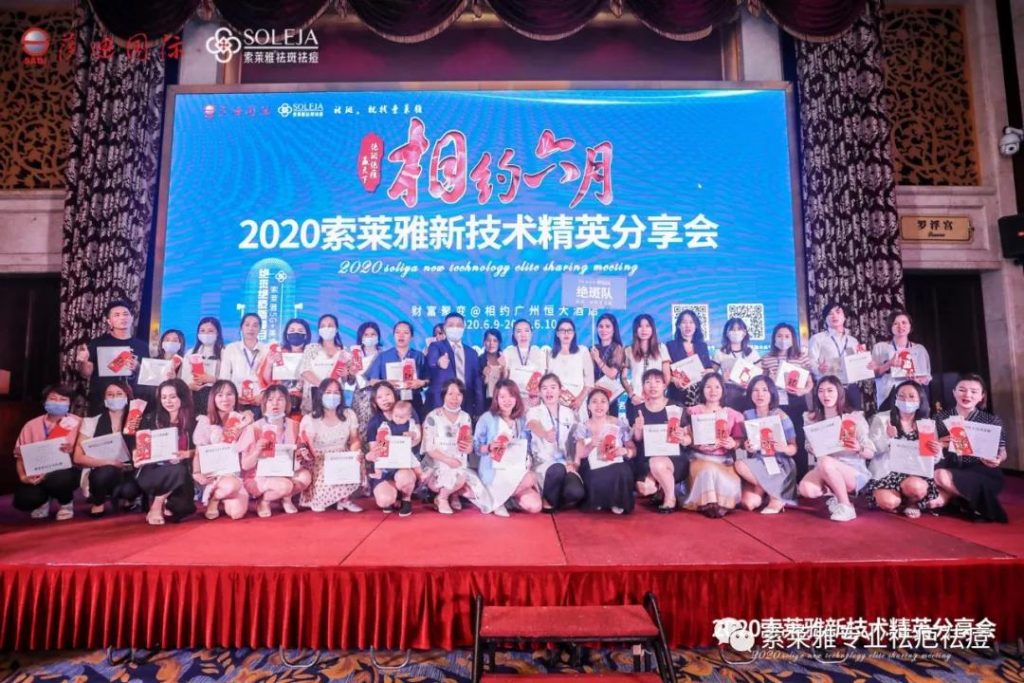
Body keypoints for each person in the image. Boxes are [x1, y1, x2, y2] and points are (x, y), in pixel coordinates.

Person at [797, 376, 875, 522]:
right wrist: (813, 448)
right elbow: (808, 445)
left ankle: (846, 506)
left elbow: (870, 452)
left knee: (825, 461)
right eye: (821, 391)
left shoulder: (853, 417)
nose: (825, 395)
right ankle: (834, 496)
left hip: (852, 471)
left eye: (830, 390)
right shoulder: (811, 418)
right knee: (806, 489)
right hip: (824, 467)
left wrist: (858, 448)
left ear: (839, 392)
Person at [933, 374, 1008, 523]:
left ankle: (963, 502)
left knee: (940, 476)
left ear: (981, 396)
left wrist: (999, 459)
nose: (967, 395)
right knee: (933, 501)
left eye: (974, 391)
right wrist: (938, 444)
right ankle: (967, 503)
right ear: (954, 392)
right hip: (950, 467)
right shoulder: (940, 418)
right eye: (962, 390)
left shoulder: (991, 420)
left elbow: (1002, 451)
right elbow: (930, 447)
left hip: (981, 470)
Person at [864, 380, 941, 518]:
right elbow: (871, 450)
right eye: (901, 396)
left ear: (920, 400)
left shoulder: (926, 424)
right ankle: (898, 502)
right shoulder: (882, 419)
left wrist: (936, 452)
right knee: (889, 502)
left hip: (914, 473)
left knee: (916, 487)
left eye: (911, 396)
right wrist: (887, 438)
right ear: (895, 398)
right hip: (887, 473)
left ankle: (912, 503)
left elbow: (932, 459)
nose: (906, 400)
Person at [242, 385, 313, 517]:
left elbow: (300, 453)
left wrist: (301, 454)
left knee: (305, 476)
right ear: (264, 404)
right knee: (285, 485)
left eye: (280, 399)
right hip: (260, 475)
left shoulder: (295, 426)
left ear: (287, 403)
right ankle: (264, 501)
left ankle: (286, 498)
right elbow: (245, 465)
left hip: (285, 472)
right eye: (270, 400)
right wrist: (257, 450)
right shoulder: (254, 428)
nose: (275, 403)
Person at [13, 384, 81, 520]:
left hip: (66, 472)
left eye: (63, 399)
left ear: (70, 403)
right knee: (23, 500)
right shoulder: (31, 425)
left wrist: (72, 451)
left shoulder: (78, 422)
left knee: (60, 479)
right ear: (44, 402)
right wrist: (22, 476)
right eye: (53, 399)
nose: (58, 402)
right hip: (37, 473)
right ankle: (43, 501)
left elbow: (84, 454)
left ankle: (66, 503)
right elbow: (20, 456)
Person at [74, 381, 142, 517]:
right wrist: (108, 462)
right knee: (104, 473)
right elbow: (77, 457)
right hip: (101, 469)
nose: (114, 398)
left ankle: (129, 498)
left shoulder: (137, 420)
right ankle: (98, 502)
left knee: (129, 489)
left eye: (119, 394)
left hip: (130, 469)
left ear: (127, 397)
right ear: (104, 399)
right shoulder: (91, 422)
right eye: (110, 395)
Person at [474, 380, 541, 517]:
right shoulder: (487, 418)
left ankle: (499, 500)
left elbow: (527, 446)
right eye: (502, 397)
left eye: (511, 396)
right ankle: (498, 499)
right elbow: (476, 448)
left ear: (516, 398)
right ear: (496, 399)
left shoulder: (521, 420)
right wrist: (489, 447)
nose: (507, 400)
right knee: (529, 479)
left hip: (516, 470)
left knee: (535, 505)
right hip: (494, 471)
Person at [134, 379, 197, 525]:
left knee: (182, 509)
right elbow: (139, 446)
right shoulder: (150, 418)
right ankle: (157, 504)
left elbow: (201, 450)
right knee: (178, 470)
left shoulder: (193, 420)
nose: (168, 401)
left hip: (181, 474)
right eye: (164, 397)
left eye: (172, 397)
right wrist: (137, 455)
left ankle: (166, 500)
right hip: (153, 471)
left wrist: (186, 454)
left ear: (182, 397)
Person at [422, 379, 488, 514]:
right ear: (443, 395)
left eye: (459, 394)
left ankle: (453, 494)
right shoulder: (433, 416)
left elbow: (468, 445)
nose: (454, 398)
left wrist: (468, 448)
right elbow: (429, 448)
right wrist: (448, 460)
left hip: (458, 463)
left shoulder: (465, 417)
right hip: (438, 465)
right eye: (450, 394)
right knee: (458, 478)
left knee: (473, 492)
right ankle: (442, 498)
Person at [683, 373, 744, 518]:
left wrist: (733, 443)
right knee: (708, 470)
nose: (713, 391)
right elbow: (687, 437)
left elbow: (739, 441)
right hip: (698, 458)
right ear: (702, 389)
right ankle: (708, 503)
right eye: (708, 387)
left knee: (729, 479)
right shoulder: (693, 411)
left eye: (717, 387)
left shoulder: (733, 415)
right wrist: (696, 444)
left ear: (723, 390)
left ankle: (720, 504)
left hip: (724, 461)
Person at [299, 378, 364, 513]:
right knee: (320, 502)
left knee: (357, 460)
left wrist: (354, 454)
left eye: (336, 393)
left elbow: (355, 439)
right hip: (319, 459)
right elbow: (307, 446)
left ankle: (344, 500)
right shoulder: (310, 419)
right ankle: (331, 498)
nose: (332, 396)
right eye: (328, 392)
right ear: (320, 395)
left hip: (342, 455)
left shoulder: (349, 414)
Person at [759, 322, 814, 479]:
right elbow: (761, 382)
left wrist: (802, 391)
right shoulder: (767, 358)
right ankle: (778, 478)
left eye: (787, 336)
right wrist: (769, 380)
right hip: (775, 403)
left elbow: (810, 382)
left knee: (797, 438)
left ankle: (800, 477)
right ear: (774, 338)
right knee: (776, 439)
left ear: (793, 338)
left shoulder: (801, 357)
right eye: (779, 336)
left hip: (796, 402)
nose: (783, 339)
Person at [75, 299, 150, 413]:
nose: (122, 318)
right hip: (101, 401)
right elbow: (86, 374)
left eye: (126, 314)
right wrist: (82, 362)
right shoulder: (97, 343)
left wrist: (138, 367)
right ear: (109, 321)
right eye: (117, 315)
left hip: (132, 402)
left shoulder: (143, 346)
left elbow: (147, 378)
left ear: (132, 318)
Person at [735, 377, 798, 514]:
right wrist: (747, 446)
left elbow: (794, 448)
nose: (760, 394)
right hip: (759, 462)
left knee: (756, 502)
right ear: (750, 393)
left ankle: (776, 496)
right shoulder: (747, 415)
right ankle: (776, 491)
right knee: (748, 503)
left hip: (779, 463)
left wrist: (784, 448)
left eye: (765, 390)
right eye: (755, 390)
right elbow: (745, 443)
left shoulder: (781, 416)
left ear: (772, 393)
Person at [192, 380, 252, 520]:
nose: (225, 399)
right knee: (231, 485)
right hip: (213, 475)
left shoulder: (243, 419)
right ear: (213, 398)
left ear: (236, 397)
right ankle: (214, 498)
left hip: (235, 473)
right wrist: (196, 472)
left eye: (229, 394)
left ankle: (220, 496)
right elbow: (198, 451)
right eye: (220, 395)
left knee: (237, 513)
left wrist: (244, 424)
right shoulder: (205, 421)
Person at [631, 369, 690, 513]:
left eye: (657, 382)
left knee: (657, 463)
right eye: (648, 382)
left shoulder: (676, 407)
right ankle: (662, 487)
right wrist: (638, 428)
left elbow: (689, 439)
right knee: (644, 488)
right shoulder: (638, 409)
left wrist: (683, 438)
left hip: (674, 458)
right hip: (647, 458)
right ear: (643, 386)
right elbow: (637, 439)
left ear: (664, 385)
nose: (653, 385)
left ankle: (670, 498)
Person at [525, 374, 584, 511]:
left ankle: (554, 498)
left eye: (553, 387)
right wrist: (545, 434)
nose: (549, 392)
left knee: (576, 492)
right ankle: (547, 499)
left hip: (565, 463)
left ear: (560, 390)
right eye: (544, 388)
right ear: (540, 392)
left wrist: (575, 463)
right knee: (557, 470)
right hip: (544, 464)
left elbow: (576, 439)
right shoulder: (534, 411)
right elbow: (533, 424)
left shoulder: (569, 413)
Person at [574, 387, 636, 514]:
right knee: (593, 474)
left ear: (608, 405)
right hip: (592, 463)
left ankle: (618, 502)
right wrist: (591, 445)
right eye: (594, 401)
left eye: (603, 401)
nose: (599, 405)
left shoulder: (619, 423)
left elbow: (633, 449)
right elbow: (579, 454)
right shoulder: (582, 427)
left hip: (616, 461)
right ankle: (599, 501)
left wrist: (625, 451)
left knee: (622, 470)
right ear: (588, 406)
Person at [365, 382, 420, 516]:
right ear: (375, 402)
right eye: (379, 397)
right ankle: (394, 493)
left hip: (404, 466)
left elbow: (418, 438)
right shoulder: (374, 422)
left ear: (394, 395)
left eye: (388, 394)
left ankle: (406, 498)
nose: (385, 399)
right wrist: (371, 455)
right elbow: (374, 450)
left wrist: (411, 438)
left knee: (405, 479)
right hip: (385, 468)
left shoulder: (408, 411)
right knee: (385, 500)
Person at [807, 303, 868, 410]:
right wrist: (818, 369)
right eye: (830, 314)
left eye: (838, 312)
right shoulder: (817, 339)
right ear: (825, 319)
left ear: (844, 317)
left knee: (855, 417)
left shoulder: (853, 341)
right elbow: (810, 361)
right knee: (831, 418)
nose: (834, 316)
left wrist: (866, 364)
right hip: (829, 388)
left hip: (850, 387)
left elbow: (858, 364)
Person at [366, 320, 429, 418]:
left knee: (414, 425)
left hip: (414, 401)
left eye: (406, 333)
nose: (401, 335)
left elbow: (428, 379)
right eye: (398, 332)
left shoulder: (419, 356)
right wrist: (386, 382)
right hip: (390, 402)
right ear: (393, 335)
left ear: (412, 337)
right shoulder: (383, 356)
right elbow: (372, 381)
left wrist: (420, 383)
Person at [871, 310, 933, 411]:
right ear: (890, 327)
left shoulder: (919, 349)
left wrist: (917, 380)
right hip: (887, 396)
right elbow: (873, 374)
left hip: (913, 397)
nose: (900, 326)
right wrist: (889, 364)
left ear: (910, 326)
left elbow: (926, 378)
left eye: (904, 322)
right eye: (895, 323)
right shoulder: (880, 348)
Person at [426, 312, 484, 416]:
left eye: (459, 325)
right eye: (451, 325)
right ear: (445, 328)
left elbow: (477, 382)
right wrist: (438, 363)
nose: (455, 328)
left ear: (464, 328)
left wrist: (479, 409)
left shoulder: (472, 353)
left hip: (466, 405)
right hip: (441, 405)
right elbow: (431, 363)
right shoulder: (436, 346)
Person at [298, 314, 350, 415]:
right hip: (314, 396)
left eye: (330, 325)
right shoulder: (311, 348)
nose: (326, 328)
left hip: (336, 398)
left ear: (337, 329)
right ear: (319, 330)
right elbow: (304, 371)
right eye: (323, 326)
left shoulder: (345, 351)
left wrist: (346, 374)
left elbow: (347, 380)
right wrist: (324, 388)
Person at [622, 314, 670, 424]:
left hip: (657, 401)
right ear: (635, 330)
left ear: (652, 329)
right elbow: (623, 377)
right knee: (636, 431)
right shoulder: (629, 350)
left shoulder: (661, 348)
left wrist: (656, 394)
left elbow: (666, 376)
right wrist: (632, 395)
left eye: (647, 326)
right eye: (640, 326)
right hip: (636, 400)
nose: (644, 329)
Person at [219, 313, 268, 417]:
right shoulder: (231, 348)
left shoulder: (266, 350)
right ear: (241, 327)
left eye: (255, 325)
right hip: (235, 401)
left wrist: (263, 394)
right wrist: (232, 396)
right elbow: (224, 377)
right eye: (247, 324)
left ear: (260, 329)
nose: (251, 328)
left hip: (259, 400)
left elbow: (271, 379)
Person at [262, 318, 312, 416]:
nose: (296, 333)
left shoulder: (312, 355)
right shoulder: (277, 352)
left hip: (306, 405)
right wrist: (269, 364)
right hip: (280, 403)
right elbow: (266, 380)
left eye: (300, 331)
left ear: (306, 335)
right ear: (286, 334)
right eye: (292, 330)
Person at [545, 318, 594, 417]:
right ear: (557, 334)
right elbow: (547, 381)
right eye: (562, 330)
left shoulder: (582, 351)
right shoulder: (550, 354)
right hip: (556, 401)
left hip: (577, 401)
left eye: (569, 330)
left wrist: (579, 399)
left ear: (574, 333)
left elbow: (589, 381)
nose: (566, 333)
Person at [665, 309, 713, 407]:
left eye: (691, 322)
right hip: (677, 395)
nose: (688, 325)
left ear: (696, 326)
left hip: (700, 396)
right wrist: (674, 380)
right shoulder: (670, 346)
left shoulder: (702, 346)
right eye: (684, 322)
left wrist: (708, 372)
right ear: (678, 326)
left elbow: (709, 368)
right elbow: (665, 372)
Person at [712, 318, 760, 412]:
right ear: (726, 333)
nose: (736, 332)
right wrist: (722, 380)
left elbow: (760, 376)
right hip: (728, 394)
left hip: (749, 393)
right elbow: (712, 376)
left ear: (744, 332)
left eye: (739, 329)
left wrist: (751, 383)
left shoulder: (752, 353)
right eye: (732, 329)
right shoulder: (720, 353)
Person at [181, 316, 225, 419]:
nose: (206, 334)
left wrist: (214, 380)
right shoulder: (190, 353)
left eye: (210, 331)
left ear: (218, 333)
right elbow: (184, 378)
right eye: (202, 331)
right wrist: (190, 385)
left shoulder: (225, 353)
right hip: (194, 396)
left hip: (217, 396)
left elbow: (229, 379)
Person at [501, 319, 546, 406]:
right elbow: (504, 378)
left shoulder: (539, 352)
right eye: (519, 331)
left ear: (531, 334)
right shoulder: (507, 352)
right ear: (514, 334)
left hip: (533, 399)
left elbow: (542, 377)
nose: (523, 334)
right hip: (513, 399)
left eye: (526, 331)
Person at [590, 313, 626, 416]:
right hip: (593, 396)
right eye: (600, 326)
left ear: (614, 330)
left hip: (609, 396)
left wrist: (597, 359)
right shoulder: (593, 348)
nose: (604, 330)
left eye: (607, 326)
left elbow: (612, 374)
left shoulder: (617, 348)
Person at [480, 329, 507, 407]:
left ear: (499, 343)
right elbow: (476, 386)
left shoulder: (505, 359)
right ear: (484, 342)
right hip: (485, 403)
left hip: (503, 400)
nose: (491, 344)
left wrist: (504, 368)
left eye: (495, 341)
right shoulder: (479, 360)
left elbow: (508, 383)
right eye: (488, 340)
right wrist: (484, 377)